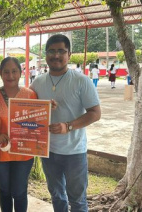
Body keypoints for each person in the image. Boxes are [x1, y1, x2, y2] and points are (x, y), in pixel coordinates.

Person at [30, 34, 101, 212]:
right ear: (45, 55)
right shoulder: (37, 82)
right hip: (48, 151)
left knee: (77, 200)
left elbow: (95, 113)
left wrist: (68, 126)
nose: (56, 55)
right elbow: (25, 107)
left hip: (74, 152)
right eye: (51, 51)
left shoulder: (81, 81)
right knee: (57, 195)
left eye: (61, 51)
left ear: (69, 54)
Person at [0, 57, 36, 212]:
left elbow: (37, 123)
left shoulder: (30, 95)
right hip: (1, 153)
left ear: (21, 73)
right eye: (6, 72)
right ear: (0, 74)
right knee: (4, 190)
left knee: (19, 191)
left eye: (14, 71)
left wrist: (49, 109)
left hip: (24, 154)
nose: (10, 76)